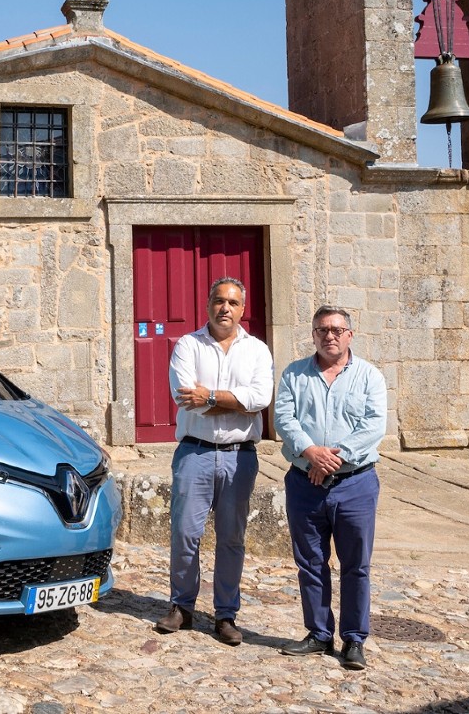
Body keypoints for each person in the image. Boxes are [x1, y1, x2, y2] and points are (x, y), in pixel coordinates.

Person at [154, 277, 274, 646]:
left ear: (242, 309)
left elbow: (260, 398)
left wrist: (211, 396)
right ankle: (182, 606)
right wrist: (231, 400)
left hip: (239, 457)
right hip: (195, 452)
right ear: (208, 304)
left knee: (232, 539)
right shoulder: (188, 345)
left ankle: (225, 614)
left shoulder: (257, 351)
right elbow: (185, 395)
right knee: (185, 534)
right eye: (219, 301)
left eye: (233, 303)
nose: (225, 308)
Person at [272, 305, 387, 670]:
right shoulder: (294, 374)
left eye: (337, 330)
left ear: (350, 335)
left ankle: (354, 640)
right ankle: (319, 634)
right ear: (314, 335)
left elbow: (373, 425)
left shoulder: (369, 376)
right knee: (310, 563)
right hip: (306, 483)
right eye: (322, 330)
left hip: (355, 483)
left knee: (357, 565)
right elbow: (284, 419)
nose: (329, 336)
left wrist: (332, 459)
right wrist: (310, 453)